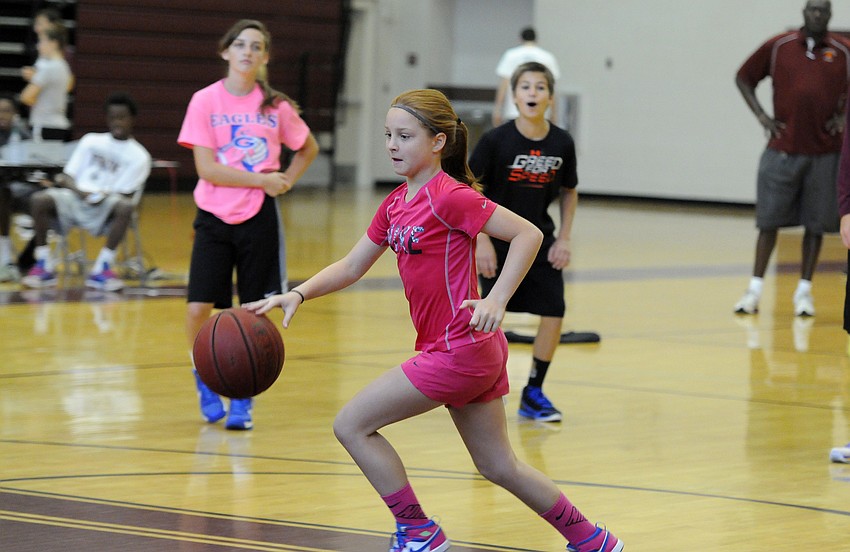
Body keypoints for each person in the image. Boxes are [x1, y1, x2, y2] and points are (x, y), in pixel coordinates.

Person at [244, 89, 623, 552]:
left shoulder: (451, 196)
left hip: (459, 350)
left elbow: (528, 233)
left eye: (405, 136)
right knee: (500, 467)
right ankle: (593, 540)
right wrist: (299, 293)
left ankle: (418, 531)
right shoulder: (396, 203)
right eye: (388, 135)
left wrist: (497, 298)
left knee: (352, 425)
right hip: (465, 350)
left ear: (438, 141)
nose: (392, 145)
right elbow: (351, 265)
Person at [177, 19, 319, 431]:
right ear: (225, 51)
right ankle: (203, 373)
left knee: (255, 309)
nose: (247, 51)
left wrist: (287, 180)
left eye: (256, 46)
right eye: (240, 44)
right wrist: (264, 179)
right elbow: (207, 168)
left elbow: (307, 147)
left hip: (259, 217)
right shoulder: (205, 101)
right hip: (214, 215)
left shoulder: (275, 107)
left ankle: (243, 395)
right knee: (198, 307)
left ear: (264, 57)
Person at [470, 61, 577, 423]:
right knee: (488, 316)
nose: (532, 93)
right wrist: (481, 240)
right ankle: (485, 386)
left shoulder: (562, 141)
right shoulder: (495, 140)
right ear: (514, 96)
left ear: (549, 96)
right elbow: (471, 189)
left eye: (540, 87)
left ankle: (533, 391)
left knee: (554, 311)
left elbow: (569, 191)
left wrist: (563, 237)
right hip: (498, 242)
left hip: (540, 241)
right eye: (525, 87)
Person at [733, 0, 850, 317]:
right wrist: (763, 117)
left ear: (830, 15)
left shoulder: (843, 51)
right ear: (803, 13)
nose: (817, 14)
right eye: (812, 9)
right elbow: (743, 77)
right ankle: (754, 290)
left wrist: (843, 117)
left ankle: (804, 292)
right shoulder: (778, 46)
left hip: (825, 153)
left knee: (815, 225)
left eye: (823, 10)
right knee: (768, 222)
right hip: (782, 150)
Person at [21, 92, 151, 291]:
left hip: (107, 203)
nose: (117, 122)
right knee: (40, 199)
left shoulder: (139, 155)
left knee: (125, 207)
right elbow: (67, 176)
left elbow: (124, 193)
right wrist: (81, 192)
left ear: (132, 119)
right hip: (75, 196)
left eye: (122, 117)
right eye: (112, 117)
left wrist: (100, 197)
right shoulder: (91, 141)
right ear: (107, 118)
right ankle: (43, 264)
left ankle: (102, 268)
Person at [492, 26, 560, 127]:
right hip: (541, 112)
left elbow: (504, 84)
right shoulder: (547, 57)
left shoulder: (511, 55)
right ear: (536, 39)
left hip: (514, 111)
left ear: (520, 39)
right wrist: (554, 112)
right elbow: (551, 88)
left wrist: (497, 109)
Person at [0, 93, 34, 282]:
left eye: (6, 111)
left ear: (14, 114)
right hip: (4, 194)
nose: (2, 115)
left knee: (44, 200)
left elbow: (35, 161)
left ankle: (28, 257)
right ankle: (4, 253)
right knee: (3, 192)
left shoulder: (21, 133)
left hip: (22, 190)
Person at [20, 24, 74, 141]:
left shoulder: (48, 67)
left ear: (53, 43)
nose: (38, 46)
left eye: (41, 42)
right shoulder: (64, 66)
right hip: (60, 124)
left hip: (44, 124)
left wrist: (39, 101)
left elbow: (26, 97)